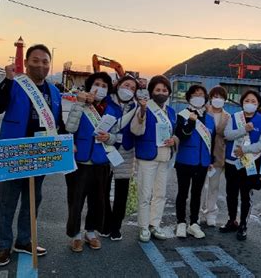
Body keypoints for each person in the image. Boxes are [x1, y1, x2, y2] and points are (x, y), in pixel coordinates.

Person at [0, 44, 65, 266]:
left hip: (40, 154)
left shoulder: (54, 91)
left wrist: (65, 143)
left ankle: (23, 240)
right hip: (14, 153)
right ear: (27, 62)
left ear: (49, 65)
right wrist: (8, 80)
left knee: (32, 201)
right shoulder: (15, 84)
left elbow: (57, 122)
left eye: (45, 61)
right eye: (35, 60)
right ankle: (3, 246)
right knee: (7, 202)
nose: (40, 65)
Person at [64, 72, 118, 252]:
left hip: (101, 163)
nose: (100, 88)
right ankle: (75, 235)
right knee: (75, 201)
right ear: (89, 85)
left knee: (98, 201)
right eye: (97, 83)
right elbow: (70, 127)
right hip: (80, 162)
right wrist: (80, 104)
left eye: (104, 85)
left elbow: (118, 137)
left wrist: (109, 136)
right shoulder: (80, 103)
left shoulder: (112, 108)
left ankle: (91, 232)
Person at [131, 75, 177, 242]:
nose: (161, 92)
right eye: (157, 90)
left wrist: (174, 140)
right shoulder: (143, 108)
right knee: (145, 193)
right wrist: (142, 112)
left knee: (160, 194)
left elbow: (175, 134)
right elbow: (136, 130)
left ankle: (154, 224)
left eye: (164, 90)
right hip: (147, 157)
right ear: (151, 92)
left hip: (165, 157)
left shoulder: (171, 112)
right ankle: (143, 226)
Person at [220, 89, 261, 240]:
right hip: (232, 161)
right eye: (247, 101)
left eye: (253, 102)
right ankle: (232, 220)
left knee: (246, 195)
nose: (250, 104)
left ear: (258, 104)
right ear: (242, 102)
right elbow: (227, 135)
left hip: (250, 163)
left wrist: (245, 150)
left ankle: (243, 225)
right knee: (231, 193)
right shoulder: (234, 117)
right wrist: (244, 129)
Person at [174, 85, 216, 239]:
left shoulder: (210, 119)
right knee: (182, 193)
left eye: (201, 94)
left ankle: (194, 223)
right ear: (189, 97)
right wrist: (191, 123)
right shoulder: (182, 115)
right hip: (185, 160)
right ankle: (180, 223)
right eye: (195, 94)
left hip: (202, 162)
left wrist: (211, 159)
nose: (198, 97)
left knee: (197, 193)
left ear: (205, 98)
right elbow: (181, 136)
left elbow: (212, 141)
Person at [102, 76, 139, 241]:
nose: (128, 90)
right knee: (102, 191)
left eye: (132, 88)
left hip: (126, 152)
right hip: (105, 150)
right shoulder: (106, 102)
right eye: (126, 85)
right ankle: (105, 223)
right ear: (118, 85)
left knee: (121, 193)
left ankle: (116, 227)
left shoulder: (137, 107)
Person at [199, 86, 230, 227]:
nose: (218, 99)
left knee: (214, 187)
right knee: (198, 186)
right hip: (202, 153)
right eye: (215, 96)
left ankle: (211, 213)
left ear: (225, 100)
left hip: (218, 155)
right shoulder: (203, 112)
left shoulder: (228, 116)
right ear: (210, 98)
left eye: (221, 97)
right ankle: (197, 213)